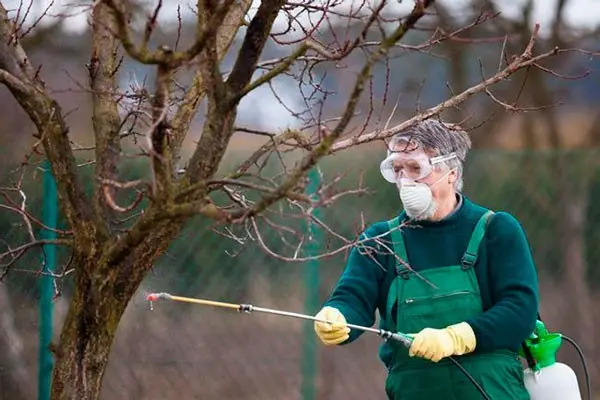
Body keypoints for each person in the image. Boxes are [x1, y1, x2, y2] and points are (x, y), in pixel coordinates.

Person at [313, 119, 539, 400]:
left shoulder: (496, 230)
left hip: (492, 391)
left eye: (416, 168)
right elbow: (353, 297)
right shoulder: (380, 240)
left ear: (452, 172)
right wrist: (337, 316)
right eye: (397, 170)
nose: (405, 180)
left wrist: (458, 337)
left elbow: (521, 310)